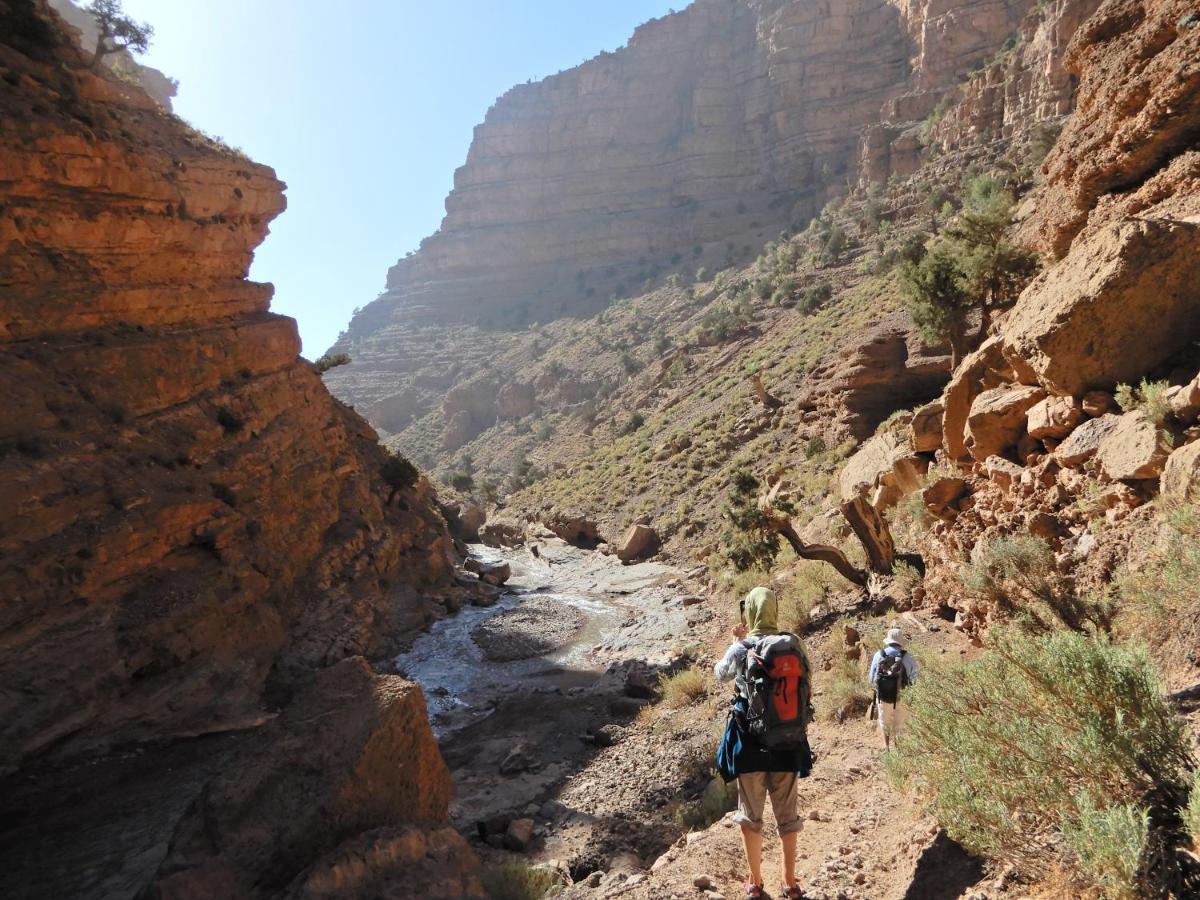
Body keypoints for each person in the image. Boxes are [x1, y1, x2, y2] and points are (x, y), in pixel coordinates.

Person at [714, 587, 813, 900]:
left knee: (750, 816)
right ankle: (790, 883)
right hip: (788, 742)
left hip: (751, 743)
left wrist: (734, 643)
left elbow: (720, 675)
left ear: (751, 612)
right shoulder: (793, 645)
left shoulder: (743, 647)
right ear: (774, 611)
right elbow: (808, 684)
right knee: (788, 816)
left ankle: (755, 884)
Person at [868, 628, 919, 751]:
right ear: (900, 642)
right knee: (899, 723)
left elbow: (871, 678)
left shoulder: (878, 655)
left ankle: (886, 747)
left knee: (884, 722)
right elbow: (915, 677)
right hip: (902, 696)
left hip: (883, 697)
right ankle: (898, 748)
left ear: (888, 641)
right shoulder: (908, 657)